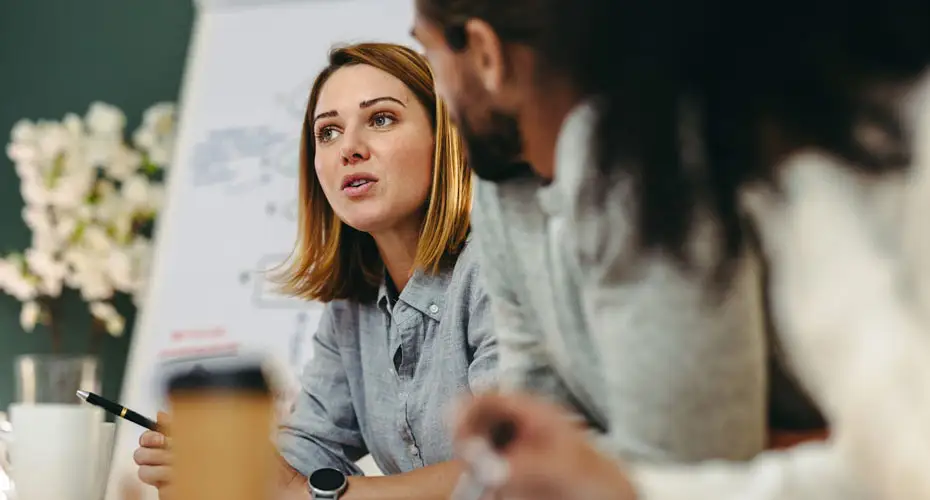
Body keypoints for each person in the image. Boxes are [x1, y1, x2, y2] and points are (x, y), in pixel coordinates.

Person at [421, 1, 930, 499]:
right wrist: (621, 485)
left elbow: (705, 451)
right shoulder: (804, 178)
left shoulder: (683, 152)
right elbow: (885, 465)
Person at [412, 0, 790, 467]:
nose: (440, 94)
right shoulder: (500, 187)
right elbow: (535, 422)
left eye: (428, 54)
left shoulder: (648, 163)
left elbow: (693, 463)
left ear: (487, 54)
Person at [132, 42, 498, 499]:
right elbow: (308, 451)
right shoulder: (353, 304)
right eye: (328, 133)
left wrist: (315, 494)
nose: (350, 149)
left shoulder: (498, 270)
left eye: (381, 119)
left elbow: (512, 470)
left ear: (444, 139)